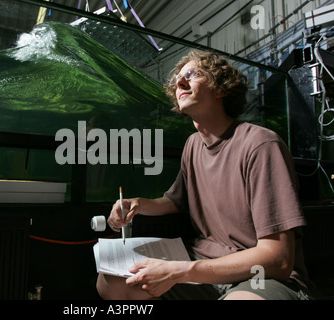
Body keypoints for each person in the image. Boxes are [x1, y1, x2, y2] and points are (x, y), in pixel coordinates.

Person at [96, 50, 313, 300]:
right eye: (178, 78)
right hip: (204, 259)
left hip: (259, 274)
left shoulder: (260, 144)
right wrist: (138, 204)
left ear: (221, 89)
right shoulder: (192, 145)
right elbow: (176, 202)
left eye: (193, 74)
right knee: (111, 281)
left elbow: (279, 258)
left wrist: (182, 271)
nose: (180, 82)